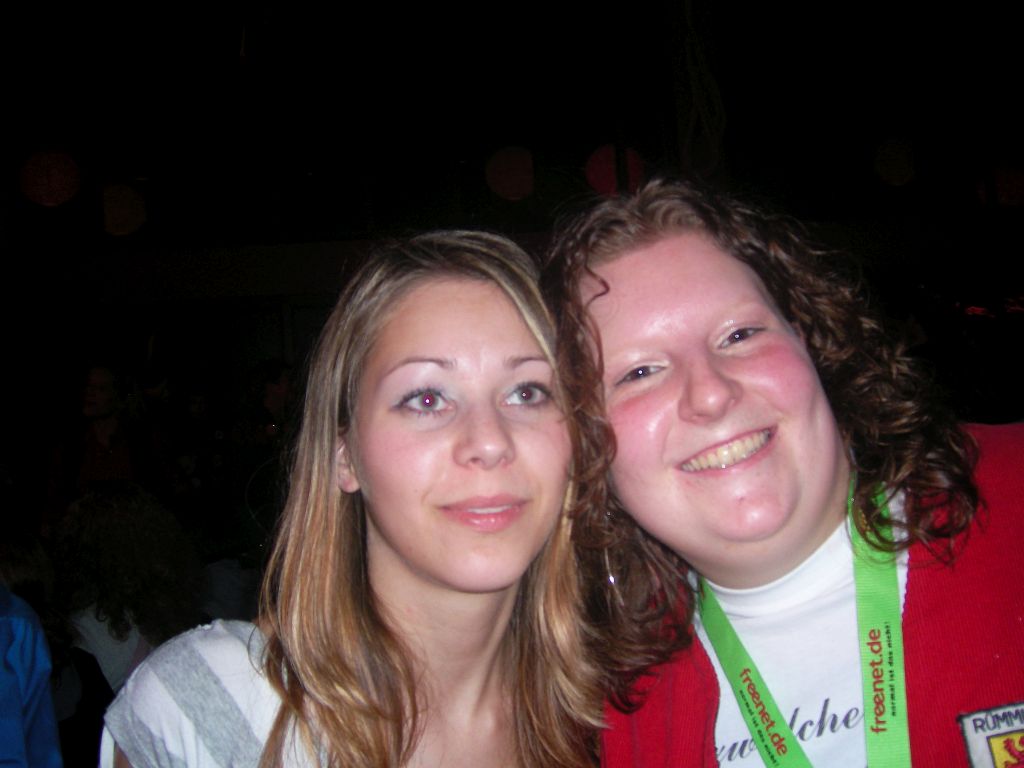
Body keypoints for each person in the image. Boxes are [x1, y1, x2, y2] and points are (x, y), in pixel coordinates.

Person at [544, 178, 1024, 767]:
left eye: (739, 335)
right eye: (639, 373)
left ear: (807, 342)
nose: (710, 393)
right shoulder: (598, 721)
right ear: (586, 443)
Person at [101, 231, 606, 767]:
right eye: (426, 398)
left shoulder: (611, 719)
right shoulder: (209, 711)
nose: (489, 441)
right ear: (345, 456)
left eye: (528, 392)